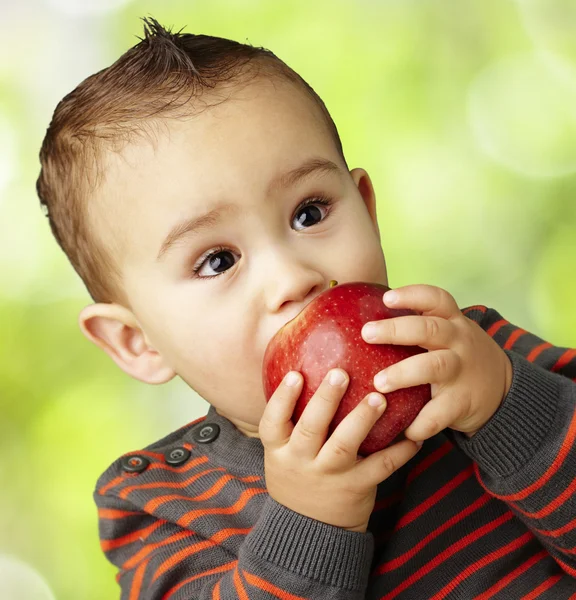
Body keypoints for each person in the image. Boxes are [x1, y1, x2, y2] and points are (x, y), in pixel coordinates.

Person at [36, 16, 576, 599]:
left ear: (367, 211)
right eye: (218, 260)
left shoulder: (481, 359)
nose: (293, 277)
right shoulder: (162, 509)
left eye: (309, 213)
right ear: (136, 342)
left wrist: (510, 409)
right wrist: (310, 526)